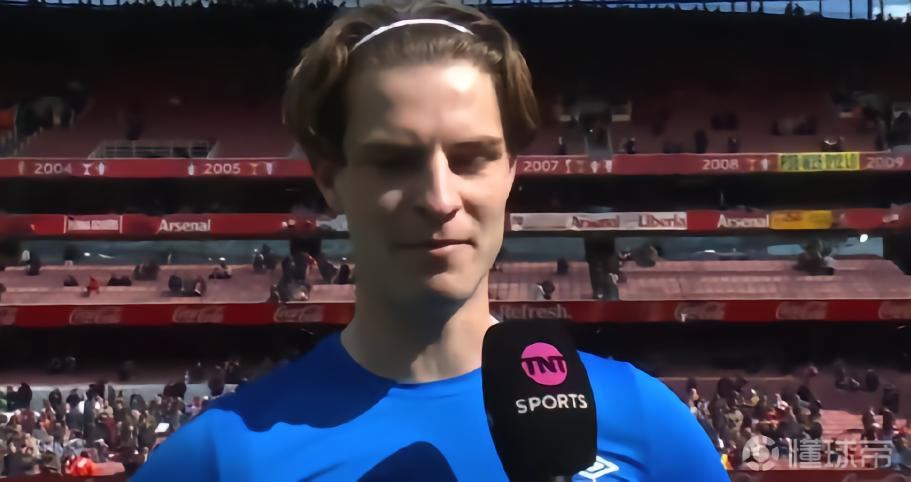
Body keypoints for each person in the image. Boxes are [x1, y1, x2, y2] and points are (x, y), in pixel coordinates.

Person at [133, 3, 728, 481]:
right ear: (330, 180)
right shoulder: (219, 458)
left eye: (471, 158)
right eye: (394, 162)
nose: (440, 198)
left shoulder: (646, 421)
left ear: (511, 172)